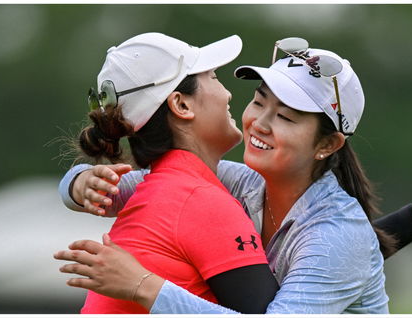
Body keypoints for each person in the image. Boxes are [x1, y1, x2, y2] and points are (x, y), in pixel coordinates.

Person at [55, 37, 412, 314]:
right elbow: (118, 191)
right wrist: (77, 184)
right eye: (259, 102)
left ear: (327, 145)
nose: (260, 123)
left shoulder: (339, 235)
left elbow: (336, 248)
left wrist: (144, 286)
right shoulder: (237, 182)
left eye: (287, 118)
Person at [68, 32, 281, 314]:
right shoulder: (198, 199)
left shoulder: (166, 190)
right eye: (214, 78)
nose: (228, 93)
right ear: (181, 105)